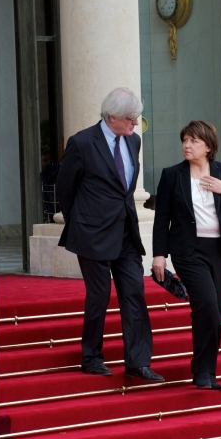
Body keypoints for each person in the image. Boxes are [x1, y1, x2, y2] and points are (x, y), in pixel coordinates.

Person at [56, 87, 164, 382]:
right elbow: (65, 188)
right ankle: (91, 356)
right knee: (99, 295)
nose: (134, 124)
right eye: (130, 119)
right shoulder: (81, 142)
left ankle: (138, 362)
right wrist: (79, 222)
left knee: (134, 294)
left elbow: (124, 187)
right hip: (92, 233)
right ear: (112, 116)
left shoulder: (134, 141)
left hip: (126, 232)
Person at [152, 120, 221, 390]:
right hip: (188, 251)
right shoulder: (172, 175)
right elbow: (162, 220)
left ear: (208, 146)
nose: (187, 145)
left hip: (219, 250)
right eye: (184, 140)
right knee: (206, 305)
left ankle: (206, 372)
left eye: (194, 141)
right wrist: (159, 255)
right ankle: (202, 370)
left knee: (214, 311)